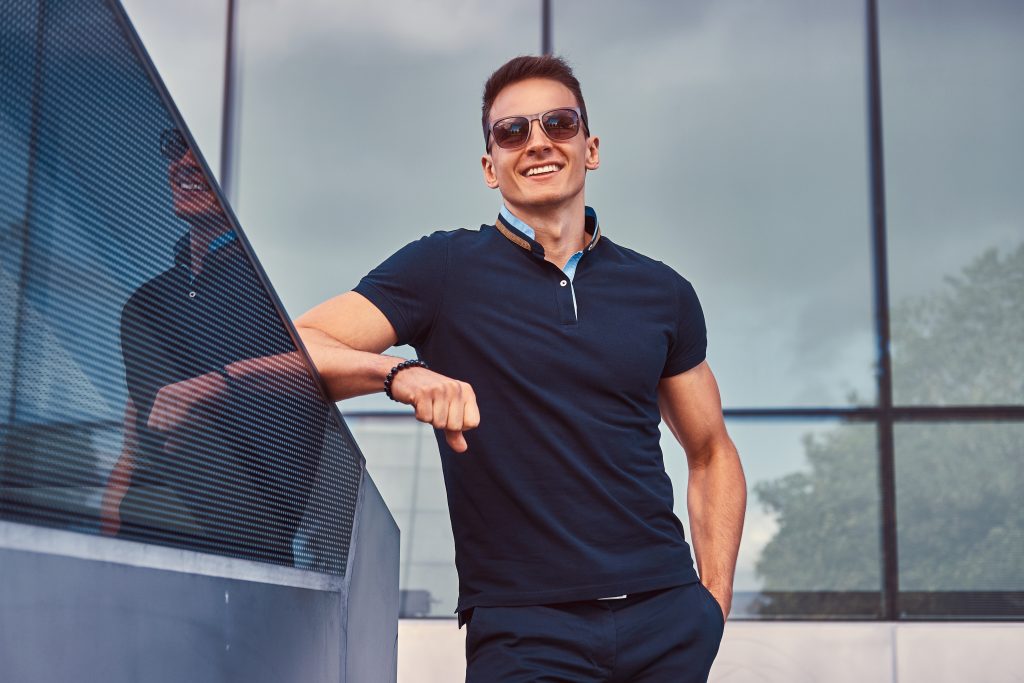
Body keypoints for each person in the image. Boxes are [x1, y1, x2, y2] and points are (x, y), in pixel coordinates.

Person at [296, 55, 746, 681]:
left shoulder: (662, 292)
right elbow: (300, 343)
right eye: (512, 132)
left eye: (559, 124)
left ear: (590, 148)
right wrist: (399, 374)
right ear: (490, 167)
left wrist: (712, 604)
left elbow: (711, 450)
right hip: (524, 629)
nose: (537, 142)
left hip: (665, 617)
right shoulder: (441, 270)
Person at [101, 129, 326, 567]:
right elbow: (135, 443)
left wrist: (214, 388)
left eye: (202, 149)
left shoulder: (280, 296)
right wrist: (105, 547)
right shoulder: (145, 306)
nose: (184, 162)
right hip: (137, 553)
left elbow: (327, 370)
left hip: (240, 562)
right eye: (175, 147)